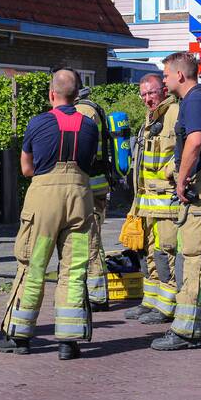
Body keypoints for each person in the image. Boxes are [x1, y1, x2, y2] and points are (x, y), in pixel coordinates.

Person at [0, 69, 99, 361]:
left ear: (52, 94)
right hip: (79, 198)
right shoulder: (90, 126)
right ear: (77, 95)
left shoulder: (38, 122)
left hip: (44, 199)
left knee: (33, 265)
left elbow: (27, 169)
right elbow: (90, 162)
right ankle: (69, 341)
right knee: (74, 269)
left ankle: (19, 336)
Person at [151, 52, 201, 351]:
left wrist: (182, 179)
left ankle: (185, 331)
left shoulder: (195, 101)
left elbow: (195, 142)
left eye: (166, 75)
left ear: (180, 76)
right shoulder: (200, 99)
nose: (164, 80)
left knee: (193, 256)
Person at [124, 73, 180, 325]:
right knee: (148, 253)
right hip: (146, 201)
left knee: (165, 251)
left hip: (166, 200)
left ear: (164, 90)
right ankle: (151, 301)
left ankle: (168, 306)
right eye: (143, 94)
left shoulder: (174, 114)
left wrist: (171, 174)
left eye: (152, 93)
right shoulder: (150, 119)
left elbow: (184, 153)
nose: (147, 98)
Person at [74, 87, 111, 310]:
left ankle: (97, 296)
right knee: (89, 240)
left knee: (90, 241)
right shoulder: (89, 109)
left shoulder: (83, 112)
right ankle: (92, 292)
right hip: (92, 186)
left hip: (90, 187)